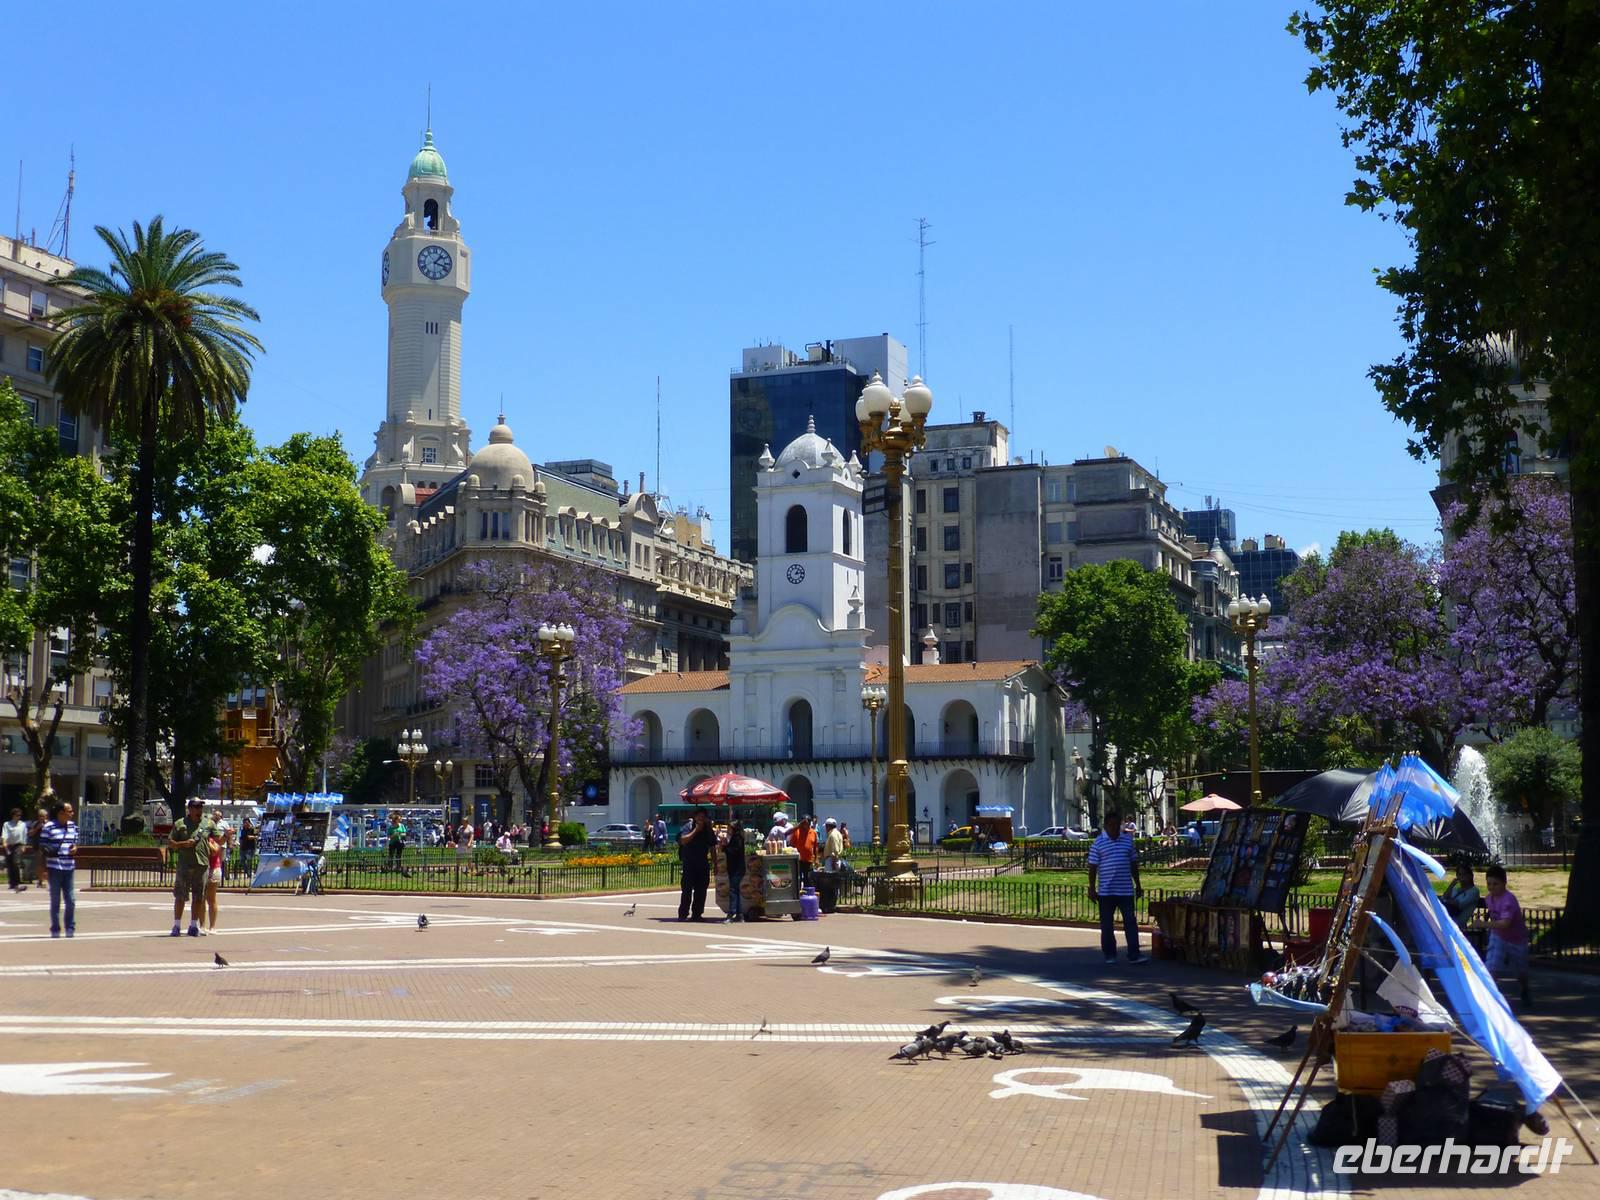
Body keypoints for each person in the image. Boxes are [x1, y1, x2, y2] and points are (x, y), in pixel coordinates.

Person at [1087, 808, 1144, 965]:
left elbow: (1134, 865)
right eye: (1111, 825)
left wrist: (1138, 885)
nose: (1114, 828)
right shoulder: (1098, 843)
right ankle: (1109, 954)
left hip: (1125, 890)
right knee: (1107, 925)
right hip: (1106, 891)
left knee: (1130, 922)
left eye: (1117, 825)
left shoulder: (1127, 841)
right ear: (1105, 826)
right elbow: (1092, 868)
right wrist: (1091, 888)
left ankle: (1134, 953)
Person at [167, 799, 217, 937]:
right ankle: (177, 925)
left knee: (198, 896)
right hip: (184, 864)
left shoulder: (208, 823)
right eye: (196, 806)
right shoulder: (180, 823)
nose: (199, 809)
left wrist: (227, 836)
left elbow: (219, 841)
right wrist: (184, 843)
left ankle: (193, 925)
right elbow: (170, 843)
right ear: (189, 808)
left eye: (200, 806)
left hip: (201, 865)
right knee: (180, 896)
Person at [1484, 864, 1531, 1006]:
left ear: (1504, 883)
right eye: (1489, 884)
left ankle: (1524, 988)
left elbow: (1505, 923)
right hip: (1498, 936)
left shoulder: (1508, 900)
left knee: (1520, 971)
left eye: (1495, 884)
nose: (1492, 887)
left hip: (1516, 939)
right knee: (1492, 965)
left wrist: (1483, 924)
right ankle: (1490, 998)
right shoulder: (1489, 899)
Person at [38, 800, 77, 937]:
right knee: (55, 900)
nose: (72, 813)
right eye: (70, 811)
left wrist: (75, 849)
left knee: (71, 900)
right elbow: (42, 849)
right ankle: (55, 928)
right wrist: (42, 869)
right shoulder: (48, 827)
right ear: (61, 813)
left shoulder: (73, 827)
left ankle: (70, 927)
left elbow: (74, 844)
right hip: (54, 868)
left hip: (69, 867)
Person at [677, 809, 715, 920]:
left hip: (702, 863)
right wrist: (696, 831)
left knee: (701, 891)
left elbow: (712, 846)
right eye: (699, 816)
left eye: (703, 817)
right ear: (694, 817)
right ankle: (683, 913)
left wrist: (715, 864)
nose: (701, 819)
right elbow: (683, 840)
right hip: (689, 864)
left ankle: (697, 914)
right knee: (687, 890)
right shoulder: (688, 827)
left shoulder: (708, 829)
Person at [203, 816, 229, 933]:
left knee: (211, 898)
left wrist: (206, 842)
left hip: (213, 869)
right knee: (200, 899)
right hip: (201, 869)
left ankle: (212, 926)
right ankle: (201, 925)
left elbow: (215, 851)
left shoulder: (212, 840)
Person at [1442, 863, 1481, 931]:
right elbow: (1444, 898)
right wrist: (1451, 885)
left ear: (1470, 876)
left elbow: (1459, 904)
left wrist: (1448, 901)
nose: (1462, 877)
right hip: (1448, 920)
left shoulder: (1474, 891)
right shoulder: (1455, 890)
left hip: (1458, 924)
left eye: (1464, 874)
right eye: (1459, 874)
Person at [721, 819, 747, 923]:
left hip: (737, 868)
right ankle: (740, 915)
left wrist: (724, 846)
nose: (728, 830)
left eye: (730, 828)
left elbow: (732, 852)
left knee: (733, 890)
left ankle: (731, 914)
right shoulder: (736, 838)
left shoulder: (737, 838)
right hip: (736, 868)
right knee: (736, 890)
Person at [788, 815, 818, 887]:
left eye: (806, 823)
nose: (805, 825)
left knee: (808, 879)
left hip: (809, 860)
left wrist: (816, 859)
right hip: (798, 860)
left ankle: (807, 894)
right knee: (798, 879)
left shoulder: (813, 833)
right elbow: (791, 845)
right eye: (803, 823)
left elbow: (815, 847)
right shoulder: (796, 832)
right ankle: (798, 894)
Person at [3, 807, 27, 892]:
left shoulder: (22, 824)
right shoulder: (7, 824)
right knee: (10, 864)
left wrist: (24, 845)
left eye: (20, 815)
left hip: (18, 845)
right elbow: (5, 834)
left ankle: (17, 882)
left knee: (16, 862)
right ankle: (12, 882)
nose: (19, 817)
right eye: (17, 815)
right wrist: (4, 842)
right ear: (13, 816)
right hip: (9, 845)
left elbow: (24, 835)